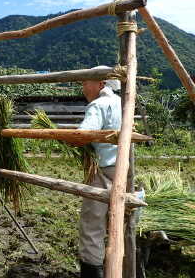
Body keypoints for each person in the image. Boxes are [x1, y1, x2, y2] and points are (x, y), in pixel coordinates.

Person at [77, 66, 121, 278]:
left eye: (86, 82)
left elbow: (83, 134)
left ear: (101, 84)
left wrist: (63, 136)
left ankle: (92, 272)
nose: (83, 87)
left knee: (92, 225)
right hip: (124, 171)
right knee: (120, 221)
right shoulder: (124, 103)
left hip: (103, 171)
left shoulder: (99, 104)